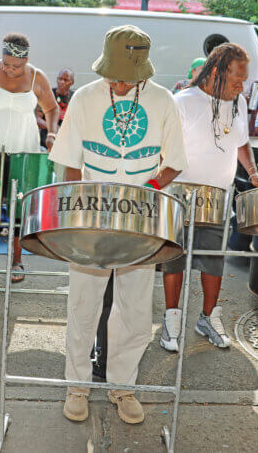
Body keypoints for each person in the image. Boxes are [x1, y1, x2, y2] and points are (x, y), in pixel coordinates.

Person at [49, 25, 187, 425]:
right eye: (117, 72)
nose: (123, 81)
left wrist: (150, 190)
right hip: (92, 218)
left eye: (130, 74)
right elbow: (71, 161)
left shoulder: (163, 100)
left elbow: (175, 159)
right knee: (83, 302)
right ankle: (77, 385)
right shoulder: (86, 97)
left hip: (140, 220)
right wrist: (78, 213)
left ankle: (122, 386)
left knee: (134, 308)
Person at [159, 44, 258, 352]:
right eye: (237, 77)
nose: (242, 85)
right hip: (180, 195)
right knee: (174, 259)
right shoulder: (184, 101)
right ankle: (171, 319)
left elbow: (243, 143)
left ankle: (207, 318)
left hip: (218, 197)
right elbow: (164, 149)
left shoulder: (240, 102)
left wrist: (252, 171)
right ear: (216, 72)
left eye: (245, 79)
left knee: (213, 261)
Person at [0, 33, 59, 283]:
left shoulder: (36, 77)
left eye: (16, 66)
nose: (10, 70)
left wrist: (52, 133)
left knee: (20, 209)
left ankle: (17, 261)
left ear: (26, 61)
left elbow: (52, 109)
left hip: (24, 151)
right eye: (6, 64)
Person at [37, 68, 75, 147]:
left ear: (72, 82)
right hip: (46, 143)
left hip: (66, 144)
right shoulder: (48, 95)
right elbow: (37, 119)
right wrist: (53, 127)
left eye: (66, 80)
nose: (62, 82)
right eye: (60, 79)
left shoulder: (75, 97)